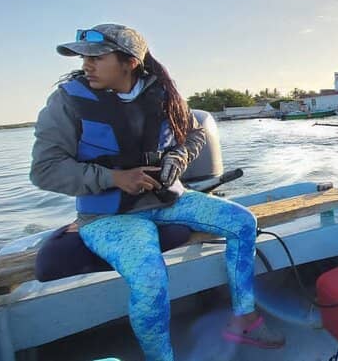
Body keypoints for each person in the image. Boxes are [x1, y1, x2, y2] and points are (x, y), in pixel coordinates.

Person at [30, 24, 284, 361]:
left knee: (242, 222)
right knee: (150, 279)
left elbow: (194, 136)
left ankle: (245, 318)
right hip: (109, 216)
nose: (86, 65)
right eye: (83, 58)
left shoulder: (163, 94)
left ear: (130, 62)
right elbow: (44, 170)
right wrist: (113, 178)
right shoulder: (66, 103)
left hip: (169, 200)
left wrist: (178, 158)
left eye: (97, 57)